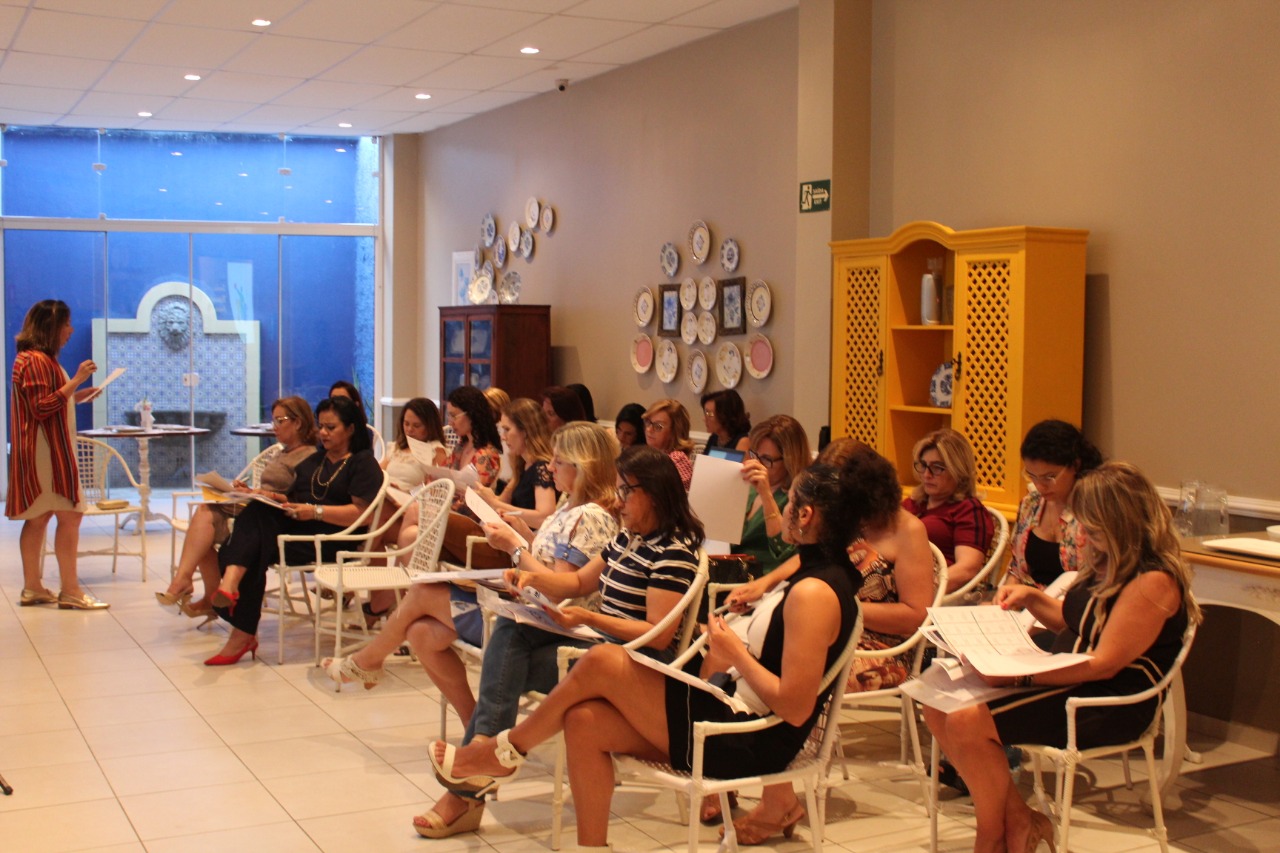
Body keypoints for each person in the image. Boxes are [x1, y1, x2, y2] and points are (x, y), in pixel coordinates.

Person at [425, 460, 863, 850]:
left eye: (790, 502)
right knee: (584, 720)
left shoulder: (814, 594)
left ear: (806, 515)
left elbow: (795, 706)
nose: (782, 508)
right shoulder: (819, 573)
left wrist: (736, 652)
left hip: (748, 738)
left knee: (601, 660)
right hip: (728, 710)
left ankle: (501, 754)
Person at [407, 438, 705, 839]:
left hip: (635, 664)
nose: (618, 501)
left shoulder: (673, 550)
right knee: (512, 627)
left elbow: (658, 634)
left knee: (508, 666)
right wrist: (528, 577)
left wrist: (586, 615)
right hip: (599, 641)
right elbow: (578, 582)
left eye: (625, 491)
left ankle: (477, 771)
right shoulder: (628, 537)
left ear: (652, 493)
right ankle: (485, 752)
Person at [923, 462, 1200, 853]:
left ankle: (992, 835)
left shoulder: (1153, 580)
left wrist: (1019, 677)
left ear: (1120, 522)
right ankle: (1020, 820)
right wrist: (1033, 599)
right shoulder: (1106, 562)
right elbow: (1078, 622)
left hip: (1110, 701)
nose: (1083, 530)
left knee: (968, 718)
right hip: (1074, 677)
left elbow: (1104, 663)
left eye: (1092, 524)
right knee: (937, 703)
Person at [728, 446, 934, 692]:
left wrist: (834, 609)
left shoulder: (908, 530)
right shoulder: (841, 521)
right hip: (824, 627)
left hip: (879, 647)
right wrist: (764, 585)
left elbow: (914, 615)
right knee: (739, 648)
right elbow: (813, 557)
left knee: (771, 665)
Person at [204, 396, 382, 665]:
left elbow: (362, 515)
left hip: (334, 539)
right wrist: (266, 496)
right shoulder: (316, 461)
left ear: (350, 429)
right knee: (256, 516)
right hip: (301, 530)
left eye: (331, 427)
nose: (323, 433)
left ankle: (238, 615)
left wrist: (315, 511)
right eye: (321, 426)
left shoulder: (362, 463)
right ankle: (234, 601)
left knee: (249, 545)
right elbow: (293, 498)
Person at [158, 396, 318, 620]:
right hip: (258, 506)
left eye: (279, 421)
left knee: (204, 522)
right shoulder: (283, 451)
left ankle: (188, 585)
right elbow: (269, 487)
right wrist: (248, 491)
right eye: (273, 420)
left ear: (298, 422)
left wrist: (262, 494)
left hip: (274, 516)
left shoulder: (309, 456)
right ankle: (193, 586)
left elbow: (298, 497)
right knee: (204, 518)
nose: (274, 426)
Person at [7, 299, 108, 610]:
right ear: (51, 328)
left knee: (39, 517)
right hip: (47, 453)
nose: (70, 330)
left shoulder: (33, 359)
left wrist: (75, 395)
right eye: (66, 324)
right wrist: (76, 380)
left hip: (41, 450)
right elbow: (41, 408)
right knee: (70, 514)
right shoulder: (37, 361)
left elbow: (44, 401)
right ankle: (71, 590)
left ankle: (33, 587)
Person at [439, 397, 558, 568]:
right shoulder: (522, 465)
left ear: (526, 430)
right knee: (419, 534)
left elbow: (544, 517)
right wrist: (485, 498)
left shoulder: (541, 468)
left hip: (515, 548)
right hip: (502, 537)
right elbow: (500, 503)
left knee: (437, 519)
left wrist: (494, 502)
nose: (503, 436)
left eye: (507, 429)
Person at [1005, 419, 1104, 590]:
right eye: (1032, 476)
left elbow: (1096, 584)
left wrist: (1035, 599)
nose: (1040, 486)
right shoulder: (1031, 504)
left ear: (1075, 465)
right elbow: (1016, 569)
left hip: (1070, 603)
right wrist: (1006, 592)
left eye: (1049, 477)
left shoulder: (1092, 510)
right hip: (1027, 601)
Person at [902, 428, 995, 593]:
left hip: (934, 594)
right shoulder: (912, 503)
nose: (927, 474)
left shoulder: (968, 509)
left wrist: (918, 590)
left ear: (958, 470)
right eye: (923, 465)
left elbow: (967, 569)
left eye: (937, 467)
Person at [733, 414, 810, 575]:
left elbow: (785, 550)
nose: (758, 464)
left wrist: (766, 495)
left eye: (767, 459)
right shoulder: (748, 487)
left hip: (766, 576)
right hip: (729, 569)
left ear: (789, 460)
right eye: (755, 455)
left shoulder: (797, 498)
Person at [642, 398, 695, 490]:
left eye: (658, 426)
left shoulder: (677, 460)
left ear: (675, 432)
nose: (648, 429)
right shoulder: (653, 455)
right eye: (648, 422)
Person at [701, 389, 752, 454]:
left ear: (725, 416)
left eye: (709, 414)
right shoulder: (714, 438)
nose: (704, 419)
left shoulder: (742, 441)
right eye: (705, 413)